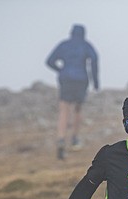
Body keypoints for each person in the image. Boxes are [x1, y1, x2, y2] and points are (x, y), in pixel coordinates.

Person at [46, 24, 100, 161]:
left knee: (64, 110)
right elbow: (94, 60)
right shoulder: (86, 45)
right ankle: (75, 139)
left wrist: (60, 70)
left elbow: (49, 61)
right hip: (81, 79)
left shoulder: (64, 45)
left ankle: (61, 140)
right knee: (77, 109)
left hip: (66, 79)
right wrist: (96, 81)